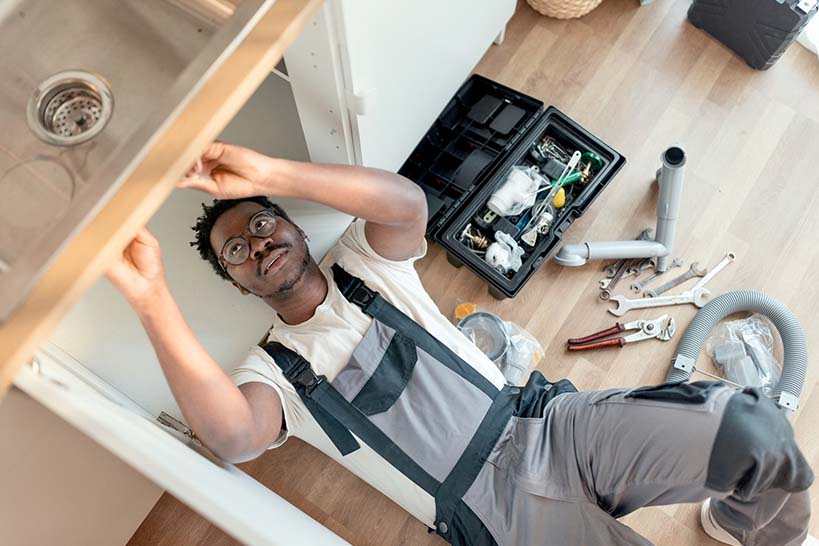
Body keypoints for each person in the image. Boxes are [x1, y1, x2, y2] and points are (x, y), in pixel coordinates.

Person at [107, 141, 815, 546]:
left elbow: (407, 205)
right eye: (236, 251)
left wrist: (265, 176)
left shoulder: (364, 261)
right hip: (494, 512)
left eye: (262, 225)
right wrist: (149, 298)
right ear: (236, 285)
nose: (256, 245)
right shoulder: (270, 371)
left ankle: (738, 525)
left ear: (291, 228)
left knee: (752, 430)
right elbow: (232, 438)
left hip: (544, 425)